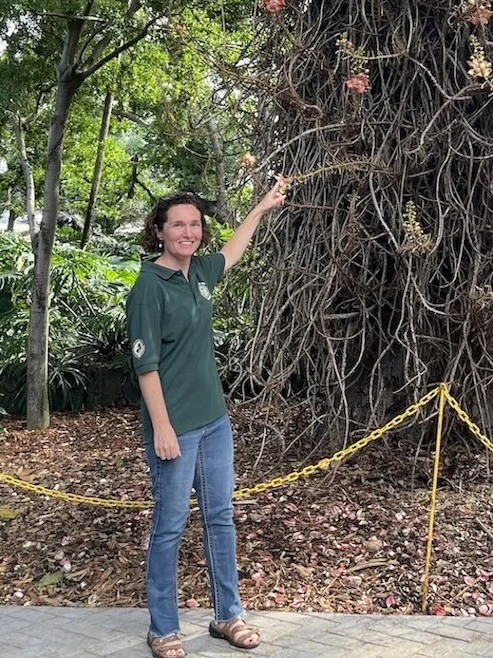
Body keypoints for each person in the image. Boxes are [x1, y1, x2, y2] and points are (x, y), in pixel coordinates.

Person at [127, 179, 289, 658]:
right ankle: (162, 627)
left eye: (195, 224)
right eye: (178, 223)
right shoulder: (147, 287)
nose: (188, 231)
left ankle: (227, 614)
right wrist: (162, 428)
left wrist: (260, 208)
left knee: (220, 518)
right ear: (158, 231)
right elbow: (146, 366)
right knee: (170, 525)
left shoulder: (198, 273)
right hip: (174, 428)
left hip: (215, 422)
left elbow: (232, 252)